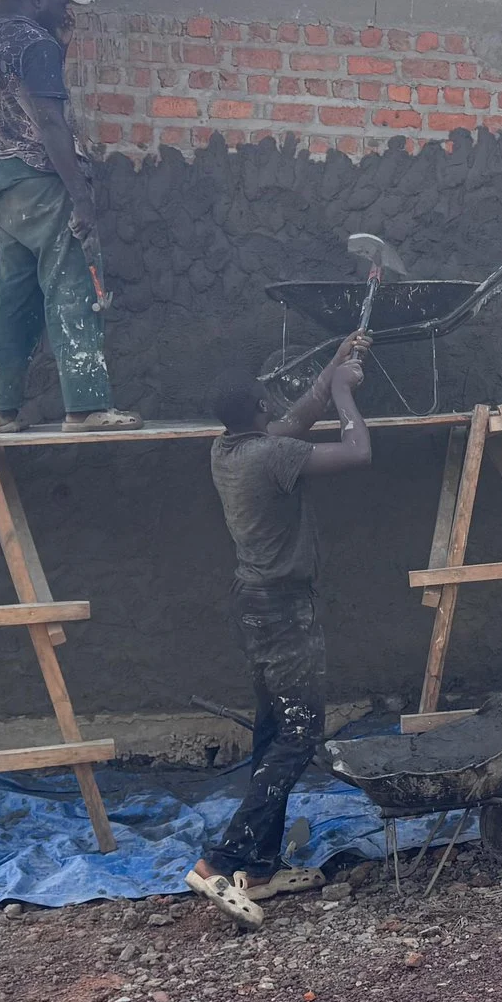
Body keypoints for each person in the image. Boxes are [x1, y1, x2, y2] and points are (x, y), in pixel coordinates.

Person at [185, 336, 374, 928]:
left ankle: (261, 868)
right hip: (285, 610)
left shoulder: (229, 450)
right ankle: (220, 860)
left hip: (254, 606)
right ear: (261, 407)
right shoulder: (270, 458)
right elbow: (358, 452)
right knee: (299, 734)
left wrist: (331, 367)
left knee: (273, 729)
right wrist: (344, 392)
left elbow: (294, 419)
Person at [0, 0, 140, 433]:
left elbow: (16, 105)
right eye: (61, 2)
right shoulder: (35, 44)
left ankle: (1, 411)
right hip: (46, 181)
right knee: (73, 286)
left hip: (5, 185)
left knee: (14, 298)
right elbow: (47, 121)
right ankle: (85, 408)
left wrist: (58, 45)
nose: (66, 12)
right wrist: (80, 197)